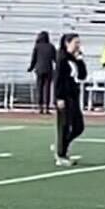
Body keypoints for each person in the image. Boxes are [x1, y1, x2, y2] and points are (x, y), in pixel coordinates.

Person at [54, 32, 87, 166]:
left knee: (79, 126)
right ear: (67, 43)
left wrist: (80, 60)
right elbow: (58, 79)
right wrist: (58, 97)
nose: (78, 45)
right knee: (64, 125)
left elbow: (82, 76)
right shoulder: (62, 58)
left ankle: (62, 147)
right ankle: (61, 154)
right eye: (76, 42)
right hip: (64, 96)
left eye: (79, 43)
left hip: (74, 95)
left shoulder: (74, 59)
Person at [28, 31, 57, 115]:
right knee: (47, 89)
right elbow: (55, 59)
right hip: (48, 69)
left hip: (39, 70)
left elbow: (34, 59)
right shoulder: (51, 46)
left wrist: (30, 68)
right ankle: (47, 107)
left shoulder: (37, 47)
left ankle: (40, 107)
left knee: (39, 88)